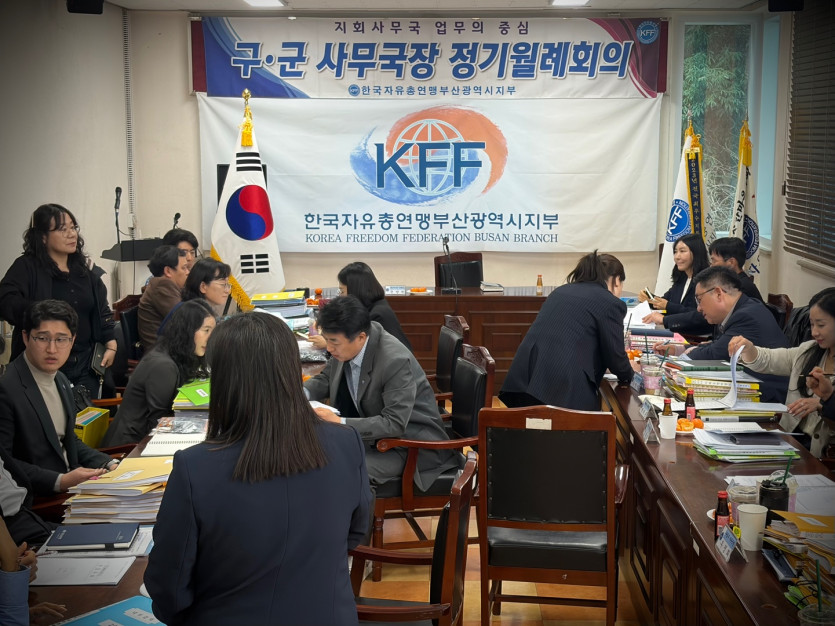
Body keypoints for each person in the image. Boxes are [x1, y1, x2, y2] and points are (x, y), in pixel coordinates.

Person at [145, 312, 372, 625]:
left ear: (222, 379)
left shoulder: (195, 468)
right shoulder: (346, 442)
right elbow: (355, 532)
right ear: (292, 370)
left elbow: (170, 590)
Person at [305, 296, 460, 490]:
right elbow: (327, 378)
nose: (329, 348)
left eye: (334, 342)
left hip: (409, 447)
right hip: (375, 438)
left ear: (361, 337)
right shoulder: (348, 346)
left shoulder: (394, 360)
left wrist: (340, 422)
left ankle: (358, 510)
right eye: (327, 340)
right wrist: (300, 393)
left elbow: (394, 423)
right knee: (312, 455)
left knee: (334, 469)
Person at [0, 300, 115, 496]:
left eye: (61, 339)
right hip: (39, 498)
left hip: (73, 486)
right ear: (26, 337)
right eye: (42, 338)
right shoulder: (7, 388)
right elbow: (4, 464)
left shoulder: (60, 379)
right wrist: (59, 481)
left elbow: (68, 439)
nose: (52, 349)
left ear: (72, 340)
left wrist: (108, 463)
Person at [0, 204, 117, 394]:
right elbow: (5, 300)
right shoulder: (26, 266)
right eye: (63, 229)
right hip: (45, 363)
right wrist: (41, 313)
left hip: (86, 363)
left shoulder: (83, 270)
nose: (72, 234)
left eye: (73, 227)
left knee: (90, 411)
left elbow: (101, 309)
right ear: (43, 237)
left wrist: (111, 343)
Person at [499, 251, 634, 411]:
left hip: (525, 379)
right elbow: (616, 357)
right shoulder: (609, 302)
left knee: (532, 426)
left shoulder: (560, 292)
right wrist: (630, 374)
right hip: (561, 390)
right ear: (616, 280)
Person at [728, 288, 835, 457]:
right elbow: (771, 359)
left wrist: (824, 403)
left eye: (821, 325)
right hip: (788, 440)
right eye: (812, 324)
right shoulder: (809, 350)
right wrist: (749, 350)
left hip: (820, 455)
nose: (814, 332)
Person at [101, 300, 215, 447]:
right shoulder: (163, 365)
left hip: (143, 438)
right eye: (206, 330)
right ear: (187, 330)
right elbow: (159, 422)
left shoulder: (175, 353)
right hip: (129, 447)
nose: (211, 338)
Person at [671, 266, 790, 403]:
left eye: (699, 299)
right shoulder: (743, 308)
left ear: (718, 294)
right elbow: (717, 345)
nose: (698, 308)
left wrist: (677, 359)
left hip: (767, 398)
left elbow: (714, 354)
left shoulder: (747, 316)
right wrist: (680, 349)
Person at [309, 261, 412, 352]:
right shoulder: (368, 306)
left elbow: (362, 350)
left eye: (342, 291)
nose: (341, 296)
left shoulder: (377, 315)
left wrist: (328, 344)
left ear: (355, 290)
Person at [641, 233, 712, 334]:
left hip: (697, 335)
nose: (677, 257)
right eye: (675, 252)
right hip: (677, 332)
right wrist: (649, 298)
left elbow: (700, 315)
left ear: (696, 252)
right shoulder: (682, 277)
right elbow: (665, 301)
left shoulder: (706, 280)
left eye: (682, 251)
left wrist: (667, 310)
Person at [138, 245, 190, 351]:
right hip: (163, 352)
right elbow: (185, 320)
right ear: (168, 271)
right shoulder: (162, 286)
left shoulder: (163, 285)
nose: (187, 272)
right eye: (184, 268)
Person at [707, 237, 763, 301]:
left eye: (714, 261)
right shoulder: (729, 281)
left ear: (731, 262)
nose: (711, 266)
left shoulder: (740, 288)